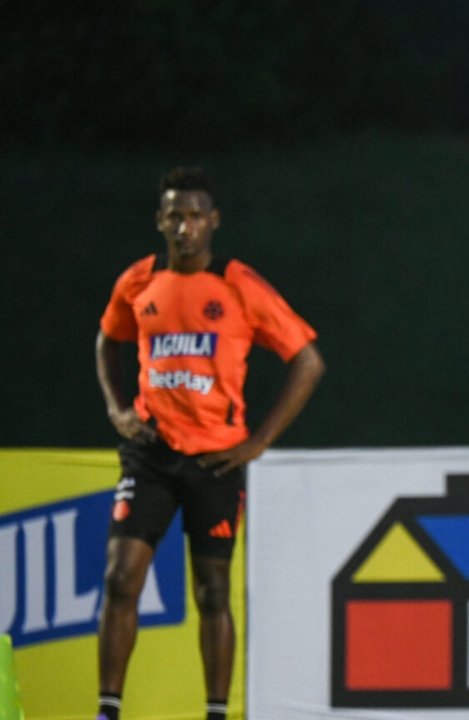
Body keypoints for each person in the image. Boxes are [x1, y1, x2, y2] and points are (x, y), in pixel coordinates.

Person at [94, 166, 325, 720]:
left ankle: (217, 712)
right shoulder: (139, 281)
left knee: (213, 592)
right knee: (121, 577)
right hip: (151, 452)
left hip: (216, 459)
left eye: (196, 215)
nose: (185, 226)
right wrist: (117, 407)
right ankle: (107, 709)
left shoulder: (238, 284)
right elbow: (108, 339)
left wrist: (257, 442)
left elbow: (308, 361)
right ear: (160, 220)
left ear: (213, 221)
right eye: (174, 215)